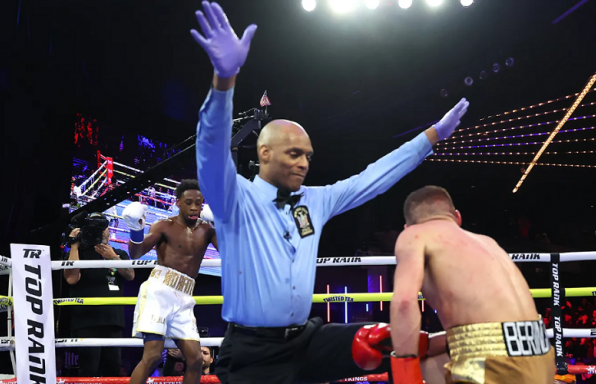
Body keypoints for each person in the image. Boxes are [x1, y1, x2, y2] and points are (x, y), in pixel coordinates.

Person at [190, 3, 468, 383]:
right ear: (264, 153)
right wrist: (225, 80)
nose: (305, 163)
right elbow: (210, 148)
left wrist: (431, 138)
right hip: (252, 353)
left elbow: (371, 179)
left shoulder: (315, 200)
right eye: (294, 154)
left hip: (306, 340)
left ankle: (465, 345)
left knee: (384, 340)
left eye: (308, 156)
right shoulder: (232, 198)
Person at [388, 186, 553, 384]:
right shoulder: (488, 242)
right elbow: (498, 327)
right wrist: (432, 343)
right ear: (457, 217)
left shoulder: (414, 235)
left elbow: (404, 302)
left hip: (489, 361)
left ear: (408, 226)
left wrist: (404, 373)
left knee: (411, 370)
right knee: (430, 365)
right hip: (542, 354)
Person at [123, 180, 218, 384]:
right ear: (178, 203)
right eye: (189, 202)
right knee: (152, 357)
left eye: (199, 203)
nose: (194, 207)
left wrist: (221, 226)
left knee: (195, 359)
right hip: (159, 291)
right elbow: (136, 252)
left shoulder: (208, 230)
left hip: (184, 297)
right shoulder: (164, 226)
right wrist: (135, 229)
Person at [64, 213, 135, 377]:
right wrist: (74, 246)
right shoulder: (78, 253)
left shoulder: (118, 253)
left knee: (113, 369)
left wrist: (112, 258)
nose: (101, 232)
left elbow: (130, 275)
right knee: (88, 369)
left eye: (103, 228)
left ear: (108, 231)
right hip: (86, 321)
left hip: (112, 320)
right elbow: (72, 279)